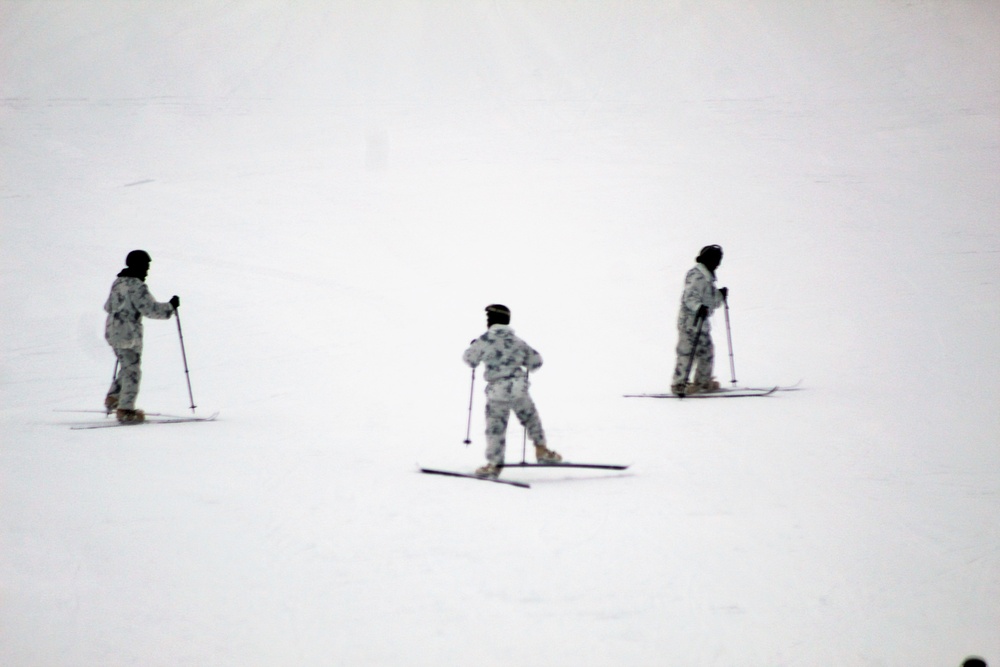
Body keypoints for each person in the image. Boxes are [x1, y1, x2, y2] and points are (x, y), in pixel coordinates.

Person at [463, 304, 562, 478]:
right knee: (531, 419)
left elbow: (469, 359)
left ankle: (494, 464)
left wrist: (474, 347)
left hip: (497, 391)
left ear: (491, 322)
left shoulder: (484, 340)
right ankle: (542, 450)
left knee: (496, 428)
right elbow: (536, 362)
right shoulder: (518, 342)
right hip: (519, 389)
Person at [103, 250, 179, 423]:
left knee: (127, 365)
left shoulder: (118, 283)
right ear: (138, 266)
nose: (147, 271)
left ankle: (115, 397)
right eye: (146, 267)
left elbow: (108, 306)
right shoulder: (136, 286)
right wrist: (170, 307)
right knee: (133, 370)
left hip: (113, 332)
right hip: (128, 334)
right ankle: (125, 409)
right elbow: (150, 309)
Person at [671, 244, 729, 395]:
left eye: (719, 260)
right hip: (689, 323)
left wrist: (720, 296)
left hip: (701, 324)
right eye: (716, 259)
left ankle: (702, 382)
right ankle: (679, 384)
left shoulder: (708, 278)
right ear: (707, 259)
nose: (718, 263)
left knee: (706, 352)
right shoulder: (696, 275)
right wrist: (698, 307)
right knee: (686, 353)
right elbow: (689, 297)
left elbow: (710, 303)